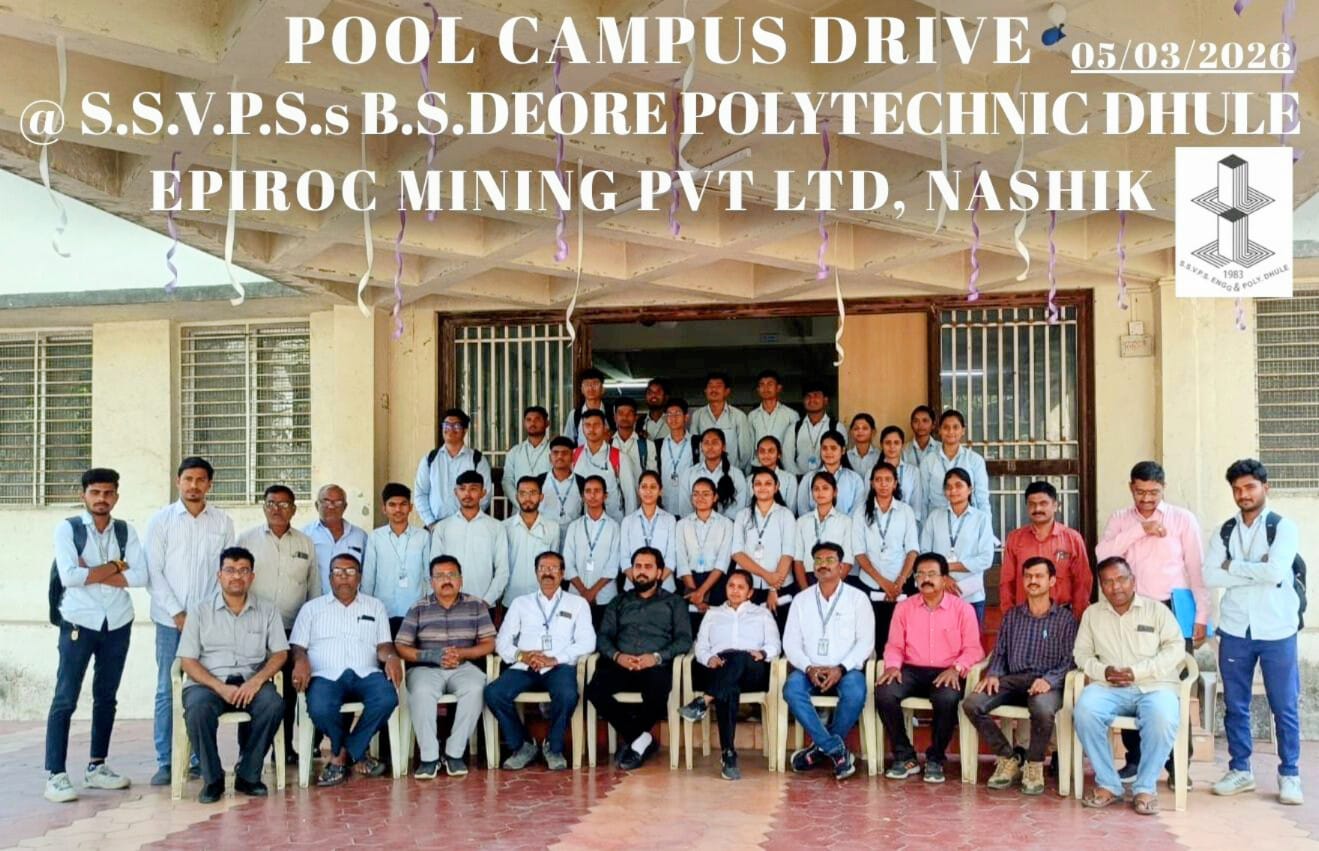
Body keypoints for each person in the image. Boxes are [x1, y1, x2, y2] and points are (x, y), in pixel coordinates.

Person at [1095, 460, 1206, 783]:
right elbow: (1103, 555)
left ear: (1164, 488)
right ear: (1131, 487)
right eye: (1140, 492)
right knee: (1129, 681)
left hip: (1172, 611)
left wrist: (1202, 616)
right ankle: (1135, 759)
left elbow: (1196, 569)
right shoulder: (1120, 519)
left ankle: (1178, 766)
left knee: (1174, 689)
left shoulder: (1182, 519)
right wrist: (1140, 530)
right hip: (1130, 611)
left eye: (1153, 493)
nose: (1146, 499)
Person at [44, 468, 146, 803]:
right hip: (79, 620)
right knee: (65, 697)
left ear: (116, 496)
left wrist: (92, 572)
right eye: (95, 492)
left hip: (117, 621)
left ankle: (97, 766)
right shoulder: (69, 529)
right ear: (83, 495)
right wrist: (117, 566)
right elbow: (70, 577)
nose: (102, 499)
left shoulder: (125, 530)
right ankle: (55, 774)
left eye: (108, 493)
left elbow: (142, 576)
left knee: (106, 697)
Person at [1205, 459, 1303, 806]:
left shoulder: (1283, 528)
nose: (1243, 494)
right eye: (1237, 489)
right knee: (1236, 704)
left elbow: (1276, 572)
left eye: (1249, 487)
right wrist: (1255, 569)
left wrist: (1233, 566)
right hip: (1235, 628)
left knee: (1284, 705)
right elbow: (1210, 575)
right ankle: (1240, 770)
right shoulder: (1224, 531)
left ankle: (1290, 774)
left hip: (1277, 628)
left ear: (1265, 487)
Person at [145, 457, 236, 787]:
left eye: (200, 480)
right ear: (178, 481)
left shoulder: (222, 522)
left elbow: (225, 571)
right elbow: (154, 572)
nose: (194, 486)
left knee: (202, 687)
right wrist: (177, 613)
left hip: (207, 622)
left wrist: (203, 614)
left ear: (210, 484)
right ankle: (166, 760)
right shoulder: (161, 521)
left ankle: (198, 758)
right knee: (167, 687)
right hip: (169, 622)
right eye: (188, 479)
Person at [1072, 556, 1185, 815]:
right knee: (1085, 712)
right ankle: (1109, 784)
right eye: (1108, 582)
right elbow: (1081, 654)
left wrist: (1138, 672)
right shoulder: (1092, 614)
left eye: (1121, 579)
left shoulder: (1156, 611)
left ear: (1133, 581)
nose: (1116, 587)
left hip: (1154, 685)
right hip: (1109, 687)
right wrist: (1104, 671)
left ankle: (1145, 787)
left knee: (1163, 717)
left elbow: (1176, 648)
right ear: (1101, 586)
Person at [177, 547, 288, 803]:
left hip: (251, 681)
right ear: (219, 575)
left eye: (243, 570)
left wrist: (256, 682)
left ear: (252, 576)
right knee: (197, 710)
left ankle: (248, 774)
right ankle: (212, 779)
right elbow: (187, 660)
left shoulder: (267, 610)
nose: (236, 576)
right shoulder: (200, 611)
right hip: (208, 683)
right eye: (230, 570)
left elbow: (280, 653)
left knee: (273, 704)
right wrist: (219, 687)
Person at [962, 557, 1077, 795]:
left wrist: (1049, 680)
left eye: (1039, 576)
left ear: (1051, 581)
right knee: (972, 703)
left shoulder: (1065, 619)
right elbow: (1000, 652)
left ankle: (1034, 765)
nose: (1032, 581)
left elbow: (1070, 660)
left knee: (1042, 709)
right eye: (1028, 576)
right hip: (1013, 680)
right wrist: (994, 673)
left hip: (1047, 684)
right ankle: (1009, 757)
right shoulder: (1013, 616)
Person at [290, 553, 402, 787]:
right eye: (338, 572)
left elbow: (384, 645)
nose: (344, 577)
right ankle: (357, 754)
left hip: (366, 672)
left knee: (387, 698)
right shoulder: (311, 609)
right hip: (325, 674)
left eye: (350, 572)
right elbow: (298, 647)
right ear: (330, 577)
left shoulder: (375, 606)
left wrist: (391, 657)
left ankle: (340, 756)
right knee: (320, 707)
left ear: (359, 577)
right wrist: (300, 661)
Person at [877, 552, 984, 784]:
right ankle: (905, 756)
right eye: (921, 574)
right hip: (911, 670)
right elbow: (894, 645)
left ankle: (935, 758)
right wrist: (893, 666)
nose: (926, 579)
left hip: (947, 671)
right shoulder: (904, 608)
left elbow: (974, 650)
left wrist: (957, 668)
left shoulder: (963, 609)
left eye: (932, 574)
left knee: (947, 698)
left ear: (945, 579)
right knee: (885, 692)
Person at [485, 551, 596, 771]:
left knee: (567, 695)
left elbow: (588, 642)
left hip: (559, 666)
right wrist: (522, 655)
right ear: (536, 573)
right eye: (542, 568)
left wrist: (554, 659)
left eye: (553, 568)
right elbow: (502, 641)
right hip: (525, 665)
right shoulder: (520, 603)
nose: (547, 573)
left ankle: (553, 748)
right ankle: (522, 746)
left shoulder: (578, 603)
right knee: (493, 693)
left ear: (562, 573)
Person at [586, 547, 692, 770]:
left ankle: (635, 741)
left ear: (659, 572)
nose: (641, 572)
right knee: (594, 689)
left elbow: (684, 640)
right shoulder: (618, 601)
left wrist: (656, 657)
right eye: (638, 567)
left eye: (648, 567)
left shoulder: (674, 602)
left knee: (658, 688)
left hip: (654, 666)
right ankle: (640, 739)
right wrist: (617, 656)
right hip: (621, 664)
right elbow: (603, 636)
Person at [394, 555, 496, 779]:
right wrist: (431, 655)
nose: (446, 580)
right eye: (440, 576)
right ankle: (429, 757)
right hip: (426, 668)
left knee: (476, 689)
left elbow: (489, 643)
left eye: (452, 575)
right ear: (431, 581)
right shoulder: (419, 608)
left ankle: (454, 753)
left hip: (464, 666)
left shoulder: (476, 605)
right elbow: (401, 646)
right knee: (421, 692)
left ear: (461, 579)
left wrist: (462, 653)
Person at [238, 484, 319, 764]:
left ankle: (284, 750)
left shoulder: (305, 543)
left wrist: (310, 632)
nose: (277, 509)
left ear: (294, 510)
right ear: (264, 507)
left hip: (290, 630)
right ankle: (247, 752)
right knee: (250, 688)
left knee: (287, 694)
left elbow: (313, 588)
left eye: (284, 505)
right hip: (253, 628)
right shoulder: (246, 539)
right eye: (271, 503)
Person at [782, 542, 874, 781]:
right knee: (791, 689)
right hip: (809, 669)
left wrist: (841, 668)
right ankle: (835, 749)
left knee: (856, 692)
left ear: (842, 567)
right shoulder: (801, 600)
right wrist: (808, 667)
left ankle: (819, 749)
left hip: (846, 669)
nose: (823, 565)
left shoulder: (858, 599)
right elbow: (790, 643)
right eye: (818, 560)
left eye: (830, 560)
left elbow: (866, 642)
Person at [680, 568, 781, 781]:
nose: (735, 591)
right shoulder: (713, 613)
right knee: (728, 687)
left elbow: (775, 644)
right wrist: (709, 658)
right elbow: (701, 646)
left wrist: (763, 653)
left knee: (739, 657)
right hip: (719, 666)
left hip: (752, 667)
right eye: (731, 586)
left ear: (750, 592)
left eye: (740, 587)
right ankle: (728, 755)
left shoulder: (762, 613)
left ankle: (704, 700)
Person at [851, 462, 920, 648]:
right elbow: (859, 553)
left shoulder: (905, 511)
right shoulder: (861, 512)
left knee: (902, 639)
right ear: (872, 483)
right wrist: (883, 583)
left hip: (900, 586)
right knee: (876, 639)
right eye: (878, 480)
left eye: (888, 480)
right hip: (870, 584)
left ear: (895, 483)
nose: (883, 484)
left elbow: (912, 550)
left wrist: (899, 581)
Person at [1000, 481, 1093, 620]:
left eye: (1043, 503)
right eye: (1032, 504)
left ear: (1055, 505)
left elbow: (1083, 581)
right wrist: (1009, 617)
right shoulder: (1015, 539)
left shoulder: (1072, 539)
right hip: (1024, 617)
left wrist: (1077, 618)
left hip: (1063, 616)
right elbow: (1007, 582)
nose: (1037, 508)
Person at [920, 468, 996, 623]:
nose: (953, 491)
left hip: (972, 596)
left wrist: (947, 567)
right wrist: (944, 577)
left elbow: (986, 559)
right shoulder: (935, 517)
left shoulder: (981, 519)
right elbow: (925, 553)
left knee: (971, 638)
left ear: (970, 489)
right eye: (948, 487)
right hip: (939, 594)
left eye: (958, 485)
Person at [430, 470, 509, 608]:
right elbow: (435, 569)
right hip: (447, 605)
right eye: (462, 489)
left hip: (483, 605)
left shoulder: (496, 527)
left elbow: (502, 571)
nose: (467, 494)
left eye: (473, 489)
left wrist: (486, 602)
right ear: (455, 492)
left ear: (483, 493)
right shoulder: (442, 527)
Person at [732, 468, 798, 629]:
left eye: (768, 483)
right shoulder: (743, 515)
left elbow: (787, 554)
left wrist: (773, 588)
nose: (762, 487)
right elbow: (737, 553)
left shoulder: (785, 515)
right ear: (752, 487)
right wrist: (766, 575)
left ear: (776, 487)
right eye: (758, 484)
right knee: (748, 633)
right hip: (747, 586)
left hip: (780, 586)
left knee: (777, 630)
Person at [362, 483, 431, 633]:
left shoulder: (423, 537)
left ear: (410, 507)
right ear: (384, 509)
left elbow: (429, 576)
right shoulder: (375, 537)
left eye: (403, 504)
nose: (398, 509)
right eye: (392, 505)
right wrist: (366, 611)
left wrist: (430, 610)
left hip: (416, 612)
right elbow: (368, 578)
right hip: (382, 612)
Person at [415, 408, 494, 528]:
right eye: (446, 425)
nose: (450, 429)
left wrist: (468, 520)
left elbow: (485, 494)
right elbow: (420, 494)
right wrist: (431, 523)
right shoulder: (430, 459)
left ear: (465, 430)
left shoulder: (477, 460)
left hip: (468, 526)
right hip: (436, 526)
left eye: (456, 425)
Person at [676, 477, 735, 630]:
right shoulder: (682, 524)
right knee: (690, 627)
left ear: (715, 497)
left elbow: (722, 562)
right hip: (690, 582)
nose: (700, 498)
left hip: (716, 582)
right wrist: (695, 594)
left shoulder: (726, 524)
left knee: (716, 628)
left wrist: (702, 592)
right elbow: (682, 561)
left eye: (706, 494)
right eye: (696, 494)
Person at [564, 476, 623, 626]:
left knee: (603, 636)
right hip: (576, 595)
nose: (592, 495)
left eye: (597, 491)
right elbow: (567, 564)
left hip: (605, 596)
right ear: (582, 496)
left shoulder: (614, 527)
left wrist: (592, 592)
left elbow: (613, 565)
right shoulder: (574, 527)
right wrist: (584, 591)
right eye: (588, 491)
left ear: (605, 496)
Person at [919, 409, 991, 526]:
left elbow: (982, 499)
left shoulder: (975, 460)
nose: (951, 431)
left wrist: (986, 529)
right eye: (946, 427)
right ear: (939, 430)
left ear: (963, 431)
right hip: (938, 523)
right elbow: (923, 501)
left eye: (955, 427)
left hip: (968, 522)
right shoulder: (928, 461)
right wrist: (924, 528)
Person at [501, 476, 561, 607]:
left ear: (541, 497)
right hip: (512, 598)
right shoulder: (504, 527)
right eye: (522, 493)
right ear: (516, 497)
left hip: (542, 598)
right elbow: (500, 566)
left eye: (533, 493)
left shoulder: (552, 527)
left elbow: (554, 566)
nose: (527, 498)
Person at [572, 409, 640, 521]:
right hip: (582, 522)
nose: (591, 429)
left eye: (596, 425)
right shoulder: (574, 455)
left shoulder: (619, 457)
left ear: (605, 428)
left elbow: (630, 496)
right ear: (582, 429)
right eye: (587, 425)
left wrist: (629, 525)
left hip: (614, 521)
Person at [794, 471, 855, 589]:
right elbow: (798, 560)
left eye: (825, 488)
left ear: (835, 492)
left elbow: (848, 560)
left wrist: (833, 586)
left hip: (836, 577)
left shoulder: (846, 522)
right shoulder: (802, 522)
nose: (820, 492)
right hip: (808, 577)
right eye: (816, 489)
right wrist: (805, 590)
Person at [620, 470, 678, 592]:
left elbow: (671, 558)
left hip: (664, 587)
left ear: (660, 491)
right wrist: (639, 584)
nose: (648, 491)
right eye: (644, 487)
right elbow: (624, 559)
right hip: (633, 587)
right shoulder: (628, 521)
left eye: (653, 487)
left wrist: (655, 584)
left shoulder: (670, 520)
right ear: (638, 490)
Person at [303, 483, 368, 591]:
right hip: (316, 600)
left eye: (338, 502)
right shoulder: (305, 535)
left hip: (351, 600)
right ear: (316, 505)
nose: (331, 506)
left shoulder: (360, 536)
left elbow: (366, 574)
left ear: (345, 506)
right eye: (326, 501)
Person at [678, 428, 748, 520]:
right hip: (694, 525)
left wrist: (718, 525)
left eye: (715, 443)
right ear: (701, 447)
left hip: (727, 526)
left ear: (724, 447)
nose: (710, 447)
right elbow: (685, 507)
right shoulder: (689, 473)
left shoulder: (736, 475)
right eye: (706, 443)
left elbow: (738, 508)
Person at [690, 372, 754, 470]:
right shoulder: (697, 416)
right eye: (710, 386)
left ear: (727, 391)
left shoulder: (739, 416)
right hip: (704, 474)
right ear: (705, 391)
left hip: (730, 473)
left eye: (718, 386)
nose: (714, 389)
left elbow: (745, 452)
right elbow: (694, 448)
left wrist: (735, 472)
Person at [794, 431, 865, 516]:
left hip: (847, 524)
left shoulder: (855, 479)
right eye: (824, 448)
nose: (828, 452)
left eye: (833, 448)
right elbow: (803, 508)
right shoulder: (809, 478)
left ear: (843, 450)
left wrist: (842, 523)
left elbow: (857, 509)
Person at [649, 398, 699, 515]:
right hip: (665, 506)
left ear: (686, 417)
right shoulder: (658, 444)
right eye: (669, 414)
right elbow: (654, 474)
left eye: (677, 414)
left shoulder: (696, 442)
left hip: (690, 506)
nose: (673, 418)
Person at [747, 369, 800, 473]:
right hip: (758, 465)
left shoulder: (791, 415)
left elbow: (795, 446)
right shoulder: (752, 416)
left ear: (778, 388)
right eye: (762, 385)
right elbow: (750, 446)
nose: (766, 388)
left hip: (783, 466)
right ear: (758, 390)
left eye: (770, 384)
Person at [500, 406, 552, 503]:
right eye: (529, 420)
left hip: (548, 507)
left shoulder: (554, 451)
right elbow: (507, 481)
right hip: (519, 508)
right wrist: (520, 503)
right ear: (524, 423)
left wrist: (541, 504)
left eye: (537, 419)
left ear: (547, 423)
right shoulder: (514, 452)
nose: (532, 423)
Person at [790, 382, 839, 476]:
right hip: (799, 479)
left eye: (816, 395)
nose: (812, 399)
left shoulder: (836, 427)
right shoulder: (794, 428)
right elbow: (787, 458)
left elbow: (840, 456)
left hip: (828, 479)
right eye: (808, 396)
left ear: (825, 400)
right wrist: (799, 478)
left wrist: (825, 478)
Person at [878, 425, 924, 526]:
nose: (892, 447)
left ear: (902, 445)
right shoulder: (872, 472)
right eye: (888, 443)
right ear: (881, 445)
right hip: (880, 524)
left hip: (906, 524)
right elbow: (869, 503)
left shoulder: (913, 472)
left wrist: (911, 528)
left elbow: (916, 506)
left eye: (896, 442)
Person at [540, 436, 584, 538]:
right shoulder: (540, 481)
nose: (560, 456)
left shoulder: (581, 482)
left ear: (572, 457)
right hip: (545, 537)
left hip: (573, 537)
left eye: (565, 453)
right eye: (555, 453)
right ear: (550, 457)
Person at [563, 367, 614, 445]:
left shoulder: (612, 413)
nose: (591, 388)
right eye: (587, 384)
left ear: (602, 389)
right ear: (582, 389)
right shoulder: (575, 414)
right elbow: (567, 442)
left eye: (595, 383)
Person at [755, 435, 798, 516]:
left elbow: (791, 510)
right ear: (757, 454)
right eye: (762, 451)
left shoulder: (789, 479)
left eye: (771, 451)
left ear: (779, 454)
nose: (766, 455)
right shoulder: (749, 480)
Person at [611, 398, 648, 472]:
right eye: (621, 413)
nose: (625, 417)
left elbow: (652, 474)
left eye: (629, 413)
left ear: (636, 417)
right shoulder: (607, 444)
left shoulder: (647, 445)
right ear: (615, 418)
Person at [901, 405, 939, 470]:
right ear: (911, 425)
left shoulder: (941, 449)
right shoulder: (903, 450)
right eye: (916, 421)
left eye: (925, 421)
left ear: (933, 425)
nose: (920, 425)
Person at [847, 414, 881, 483]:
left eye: (865, 428)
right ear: (851, 432)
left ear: (873, 432)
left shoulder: (880, 455)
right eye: (856, 428)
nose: (860, 431)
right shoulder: (846, 456)